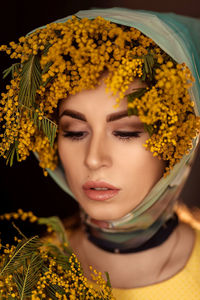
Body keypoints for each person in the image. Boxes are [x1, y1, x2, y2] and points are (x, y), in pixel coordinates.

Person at [0, 7, 200, 300]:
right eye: (74, 132)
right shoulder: (24, 276)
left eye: (126, 132)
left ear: (179, 140)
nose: (93, 158)